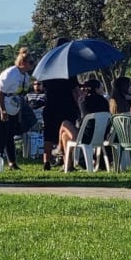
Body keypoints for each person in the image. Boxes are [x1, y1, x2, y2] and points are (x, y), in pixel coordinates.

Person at [0, 48, 35, 170]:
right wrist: (3, 111)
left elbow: (19, 95)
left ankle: (12, 163)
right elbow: (0, 92)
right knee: (0, 134)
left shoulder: (25, 76)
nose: (32, 65)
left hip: (12, 106)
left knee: (10, 134)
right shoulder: (11, 73)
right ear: (23, 62)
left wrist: (18, 112)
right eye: (31, 62)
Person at [38, 37, 79, 171]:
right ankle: (67, 160)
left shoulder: (47, 66)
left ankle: (46, 160)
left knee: (48, 134)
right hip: (67, 105)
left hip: (50, 104)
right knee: (66, 133)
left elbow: (43, 87)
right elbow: (74, 89)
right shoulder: (69, 68)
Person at [59, 79, 109, 171]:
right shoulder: (105, 102)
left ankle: (59, 149)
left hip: (86, 137)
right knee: (64, 135)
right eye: (101, 88)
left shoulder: (83, 101)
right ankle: (68, 165)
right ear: (96, 89)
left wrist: (80, 101)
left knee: (64, 123)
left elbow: (83, 118)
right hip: (101, 136)